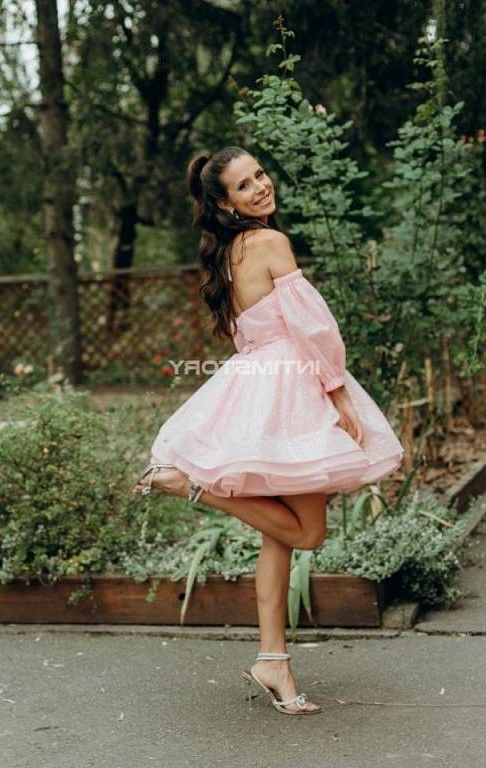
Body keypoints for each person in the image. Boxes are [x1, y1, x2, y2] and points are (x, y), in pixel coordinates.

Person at [132, 146, 404, 716]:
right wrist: (336, 394)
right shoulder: (271, 242)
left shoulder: (229, 254)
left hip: (259, 388)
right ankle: (191, 485)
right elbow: (313, 328)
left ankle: (273, 661)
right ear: (226, 204)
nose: (260, 186)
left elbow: (246, 334)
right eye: (244, 185)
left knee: (279, 536)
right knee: (309, 534)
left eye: (259, 174)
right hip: (292, 390)